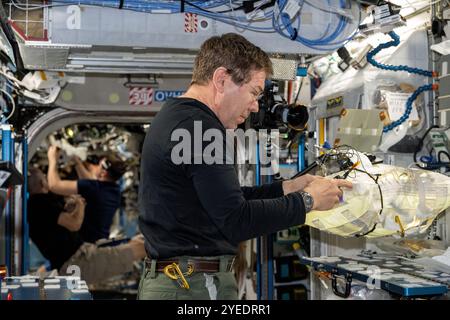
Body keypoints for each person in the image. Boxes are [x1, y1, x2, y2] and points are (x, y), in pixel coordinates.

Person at [137, 33, 352, 300]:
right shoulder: (199, 128)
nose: (254, 106)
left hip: (184, 283)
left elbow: (226, 201)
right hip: (190, 287)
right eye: (253, 93)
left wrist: (288, 188)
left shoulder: (180, 118)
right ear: (221, 80)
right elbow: (235, 220)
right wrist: (308, 202)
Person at [28, 167, 146, 285]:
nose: (46, 178)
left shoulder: (40, 203)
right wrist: (80, 205)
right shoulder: (40, 203)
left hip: (80, 255)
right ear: (43, 182)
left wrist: (71, 208)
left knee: (138, 243)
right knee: (141, 247)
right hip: (77, 261)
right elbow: (74, 224)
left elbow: (59, 224)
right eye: (44, 176)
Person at [47, 146, 126, 243]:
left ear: (103, 173)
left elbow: (54, 186)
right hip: (98, 245)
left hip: (84, 245)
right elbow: (90, 182)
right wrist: (76, 161)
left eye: (98, 165)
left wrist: (52, 159)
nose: (95, 166)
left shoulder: (94, 188)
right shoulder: (114, 191)